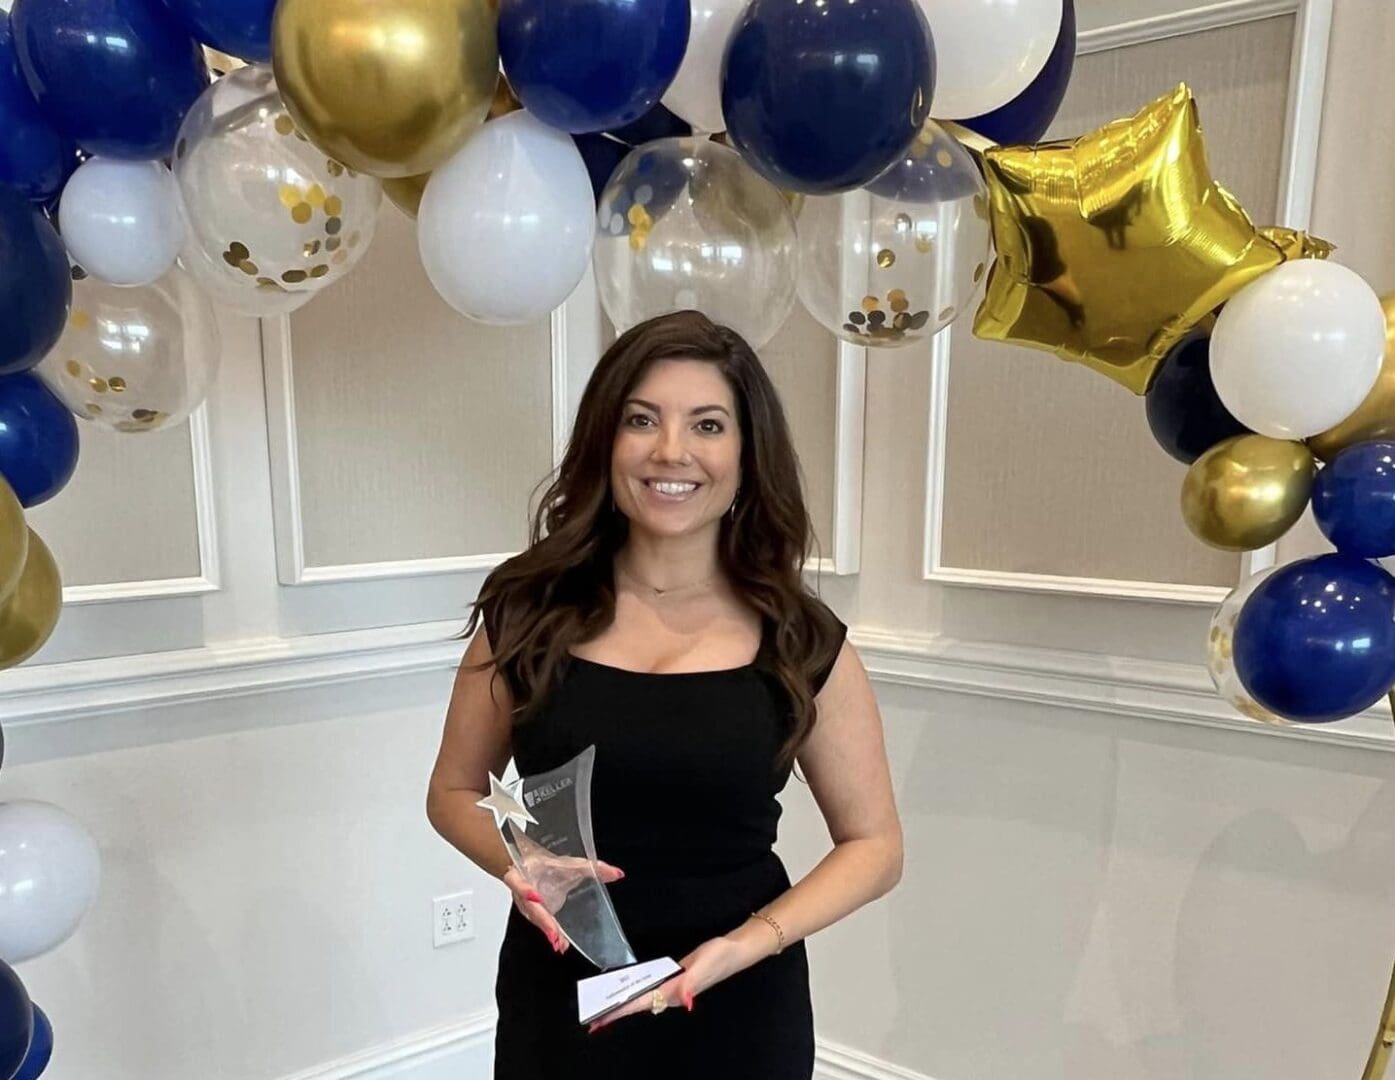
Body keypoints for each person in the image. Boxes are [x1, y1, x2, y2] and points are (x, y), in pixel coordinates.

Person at [425, 309, 902, 1077]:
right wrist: (524, 862)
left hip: (739, 1000)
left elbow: (875, 848)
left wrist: (748, 944)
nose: (671, 450)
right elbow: (451, 790)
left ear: (747, 455)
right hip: (563, 991)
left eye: (707, 425)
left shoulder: (800, 641)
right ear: (605, 442)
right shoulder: (525, 611)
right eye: (641, 420)